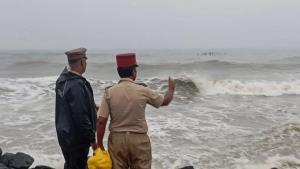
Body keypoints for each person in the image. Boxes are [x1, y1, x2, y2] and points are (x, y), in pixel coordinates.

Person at [96, 53, 175, 169]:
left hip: (117, 140)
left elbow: (101, 121)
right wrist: (171, 89)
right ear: (134, 72)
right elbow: (165, 101)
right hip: (139, 140)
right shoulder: (143, 90)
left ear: (118, 71)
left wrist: (99, 144)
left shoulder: (109, 92)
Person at [55, 48, 98, 169]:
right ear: (81, 62)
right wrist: (92, 140)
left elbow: (68, 104)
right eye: (85, 60)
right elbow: (80, 115)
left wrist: (92, 106)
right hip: (76, 138)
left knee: (70, 164)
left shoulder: (63, 81)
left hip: (65, 134)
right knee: (77, 164)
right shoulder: (76, 84)